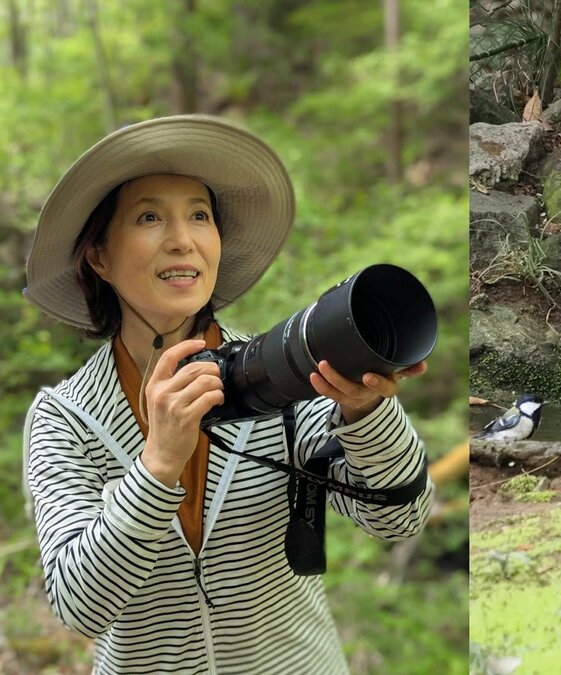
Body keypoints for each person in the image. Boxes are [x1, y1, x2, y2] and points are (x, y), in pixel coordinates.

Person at [21, 115, 434, 674]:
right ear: (99, 256)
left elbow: (397, 520)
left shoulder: (281, 373)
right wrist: (159, 464)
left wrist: (366, 412)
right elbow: (80, 605)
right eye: (149, 217)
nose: (182, 240)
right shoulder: (65, 418)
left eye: (200, 215)